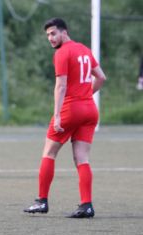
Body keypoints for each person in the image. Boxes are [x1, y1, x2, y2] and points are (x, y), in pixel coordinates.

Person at [23, 18, 106, 218]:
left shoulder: (63, 52)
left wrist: (58, 115)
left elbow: (61, 86)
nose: (50, 38)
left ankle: (41, 201)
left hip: (71, 109)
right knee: (82, 158)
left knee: (49, 153)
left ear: (64, 32)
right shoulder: (84, 50)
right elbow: (101, 77)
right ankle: (86, 205)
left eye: (53, 33)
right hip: (90, 110)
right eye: (48, 35)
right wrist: (86, 94)